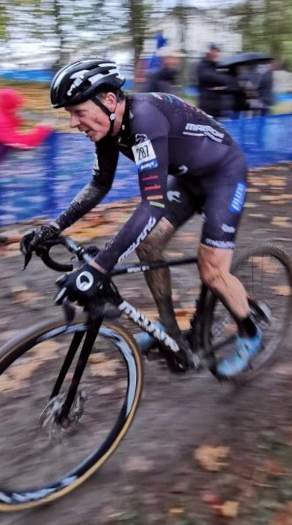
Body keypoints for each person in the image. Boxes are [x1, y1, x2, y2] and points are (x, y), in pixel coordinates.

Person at [20, 59, 261, 378]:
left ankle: (249, 332)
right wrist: (54, 227)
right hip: (189, 180)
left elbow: (153, 204)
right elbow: (99, 184)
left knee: (212, 270)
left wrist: (98, 267)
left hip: (224, 176)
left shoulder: (145, 119)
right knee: (148, 245)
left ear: (107, 100)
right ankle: (170, 330)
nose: (73, 123)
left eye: (78, 112)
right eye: (69, 114)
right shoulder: (108, 127)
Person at [0, 88, 53, 243]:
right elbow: (23, 144)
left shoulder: (1, 119)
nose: (19, 109)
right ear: (10, 106)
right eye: (17, 106)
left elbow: (14, 136)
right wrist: (43, 129)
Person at [196, 44, 237, 119]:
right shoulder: (203, 66)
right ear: (209, 52)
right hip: (207, 108)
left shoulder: (216, 66)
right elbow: (212, 77)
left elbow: (230, 84)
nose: (217, 54)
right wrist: (224, 81)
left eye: (218, 52)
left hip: (218, 107)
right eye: (215, 51)